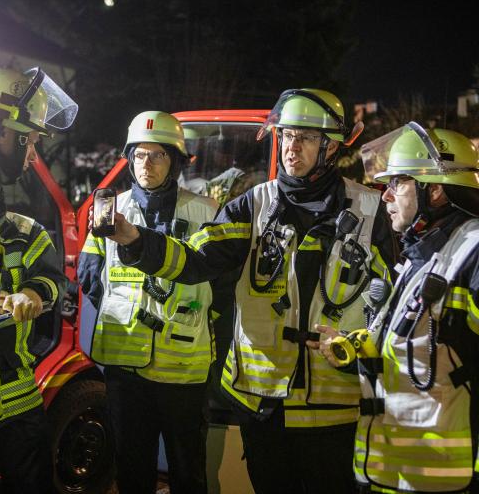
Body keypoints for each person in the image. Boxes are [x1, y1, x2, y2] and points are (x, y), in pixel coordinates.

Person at [101, 88, 398, 493]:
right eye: (286, 135)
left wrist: (358, 345)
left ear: (330, 146)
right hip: (263, 407)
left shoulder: (371, 211)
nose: (291, 147)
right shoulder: (252, 206)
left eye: (305, 137)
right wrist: (137, 241)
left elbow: (394, 304)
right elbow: (194, 259)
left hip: (337, 412)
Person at [315, 122, 479, 493]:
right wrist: (353, 347)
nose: (385, 196)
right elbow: (416, 347)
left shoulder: (472, 251)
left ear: (434, 189)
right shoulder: (424, 255)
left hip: (442, 480)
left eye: (397, 183)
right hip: (394, 474)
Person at [78, 111, 219, 494]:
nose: (146, 164)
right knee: (131, 470)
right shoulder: (109, 210)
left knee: (188, 472)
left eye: (157, 155)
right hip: (126, 369)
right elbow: (90, 276)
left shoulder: (206, 211)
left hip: (184, 370)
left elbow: (223, 286)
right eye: (139, 155)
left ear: (175, 161)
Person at [0, 66, 77, 493]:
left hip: (18, 405)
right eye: (28, 140)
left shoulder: (21, 229)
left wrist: (32, 291)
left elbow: (51, 278)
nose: (32, 155)